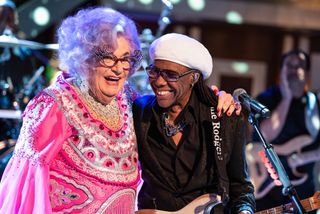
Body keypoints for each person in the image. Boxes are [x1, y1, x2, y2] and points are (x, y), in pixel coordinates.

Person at [0, 7, 239, 213]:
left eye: (126, 59)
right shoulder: (54, 105)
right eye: (108, 58)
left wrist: (214, 100)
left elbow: (178, 103)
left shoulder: (130, 100)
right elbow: (26, 187)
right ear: (84, 57)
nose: (119, 69)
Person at [133, 33, 255, 213]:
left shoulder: (225, 118)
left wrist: (245, 210)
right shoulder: (140, 111)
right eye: (154, 71)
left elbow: (240, 187)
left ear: (194, 78)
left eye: (171, 75)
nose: (159, 81)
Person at [248, 49, 320, 212]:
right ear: (281, 70)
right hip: (266, 190)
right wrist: (287, 97)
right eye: (289, 65)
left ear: (307, 73)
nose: (294, 69)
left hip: (303, 192)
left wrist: (301, 158)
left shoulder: (314, 103)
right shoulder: (267, 98)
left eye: (299, 65)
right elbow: (267, 134)